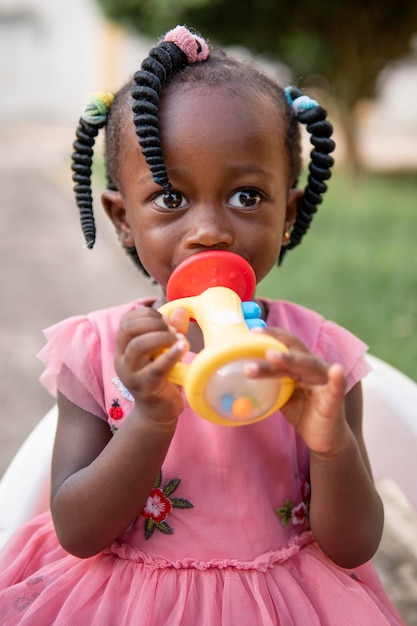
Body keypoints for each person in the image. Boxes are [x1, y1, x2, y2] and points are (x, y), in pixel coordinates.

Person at [0, 25, 405, 625]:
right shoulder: (97, 351)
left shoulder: (317, 358)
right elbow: (78, 530)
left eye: (246, 196)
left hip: (284, 603)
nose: (210, 229)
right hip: (125, 604)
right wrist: (151, 417)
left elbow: (354, 546)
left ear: (288, 213)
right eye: (170, 198)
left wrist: (330, 444)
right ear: (122, 219)